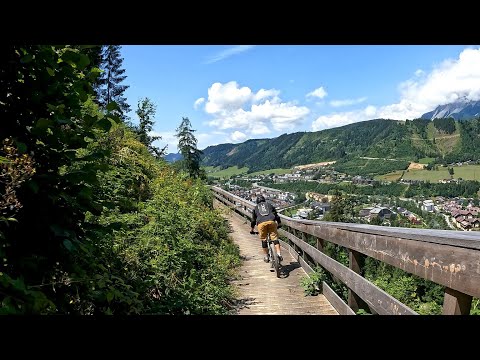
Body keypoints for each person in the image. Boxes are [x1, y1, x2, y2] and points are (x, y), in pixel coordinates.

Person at [250, 195, 283, 263]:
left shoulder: (256, 208)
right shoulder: (269, 205)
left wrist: (252, 230)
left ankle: (266, 256)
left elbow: (253, 220)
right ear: (264, 200)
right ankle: (279, 254)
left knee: (264, 239)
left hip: (261, 224)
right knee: (274, 238)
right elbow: (276, 215)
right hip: (271, 221)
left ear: (257, 202)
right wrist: (279, 223)